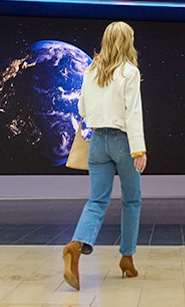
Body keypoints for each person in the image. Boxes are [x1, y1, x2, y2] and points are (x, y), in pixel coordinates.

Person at [61, 21, 146, 290]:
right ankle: (127, 258)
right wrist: (139, 148)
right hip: (123, 141)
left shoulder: (90, 71)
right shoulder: (130, 72)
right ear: (127, 42)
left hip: (96, 142)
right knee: (131, 200)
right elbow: (133, 111)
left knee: (97, 200)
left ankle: (76, 245)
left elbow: (83, 109)